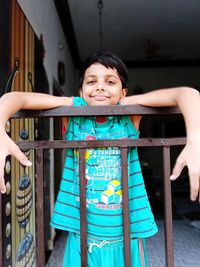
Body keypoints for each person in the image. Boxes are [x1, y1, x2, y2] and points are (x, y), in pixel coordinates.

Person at [0, 52, 200, 266]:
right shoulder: (73, 112)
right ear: (81, 91)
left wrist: (195, 140)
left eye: (110, 81)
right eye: (91, 81)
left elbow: (187, 94)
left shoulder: (128, 113)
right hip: (82, 235)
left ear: (123, 92)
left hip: (127, 234)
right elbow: (15, 98)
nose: (100, 87)